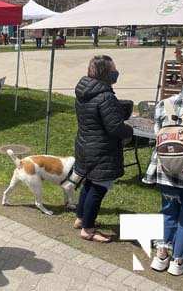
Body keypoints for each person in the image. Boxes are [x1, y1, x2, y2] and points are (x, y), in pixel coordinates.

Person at [73, 55, 132, 243]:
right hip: (101, 149)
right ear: (106, 73)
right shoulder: (105, 96)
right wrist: (130, 130)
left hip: (85, 145)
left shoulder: (84, 91)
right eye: (113, 69)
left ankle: (81, 218)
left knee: (89, 182)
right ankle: (88, 229)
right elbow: (115, 127)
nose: (116, 72)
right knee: (99, 187)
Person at [145, 60, 183, 276]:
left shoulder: (165, 104)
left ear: (181, 78)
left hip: (165, 168)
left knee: (168, 212)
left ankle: (161, 256)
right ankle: (179, 261)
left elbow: (157, 134)